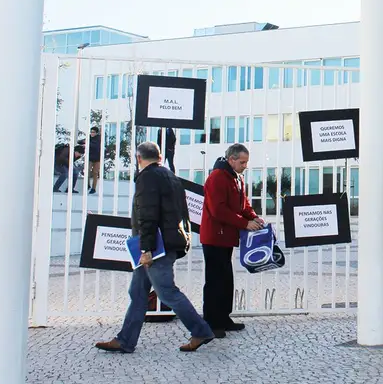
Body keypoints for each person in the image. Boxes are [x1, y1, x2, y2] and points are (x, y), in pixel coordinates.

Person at [94, 142, 214, 353]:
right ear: (159, 156)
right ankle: (125, 340)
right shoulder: (171, 177)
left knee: (167, 292)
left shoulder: (147, 177)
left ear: (139, 158)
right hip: (166, 242)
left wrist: (146, 249)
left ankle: (200, 330)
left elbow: (147, 215)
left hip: (155, 247)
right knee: (138, 292)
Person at [200, 143, 265, 338]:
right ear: (231, 160)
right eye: (242, 162)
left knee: (226, 279)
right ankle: (212, 322)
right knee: (215, 280)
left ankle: (223, 318)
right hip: (214, 237)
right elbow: (218, 210)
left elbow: (243, 203)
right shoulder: (217, 178)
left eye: (246, 162)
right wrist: (244, 223)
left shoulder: (237, 178)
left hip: (226, 236)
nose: (245, 165)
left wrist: (253, 216)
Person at [88, 126, 102, 194]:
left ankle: (93, 188)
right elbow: (81, 141)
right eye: (91, 132)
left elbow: (95, 146)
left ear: (96, 133)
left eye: (93, 132)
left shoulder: (99, 138)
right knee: (87, 171)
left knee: (95, 173)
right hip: (90, 158)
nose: (92, 133)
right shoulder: (89, 138)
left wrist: (87, 144)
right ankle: (87, 185)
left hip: (97, 159)